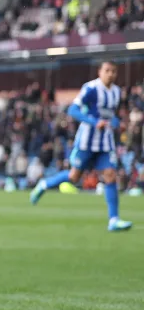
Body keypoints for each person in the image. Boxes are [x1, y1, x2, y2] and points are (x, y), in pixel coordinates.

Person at [30, 61, 132, 231]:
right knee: (74, 177)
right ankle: (43, 185)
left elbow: (109, 116)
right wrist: (93, 122)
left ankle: (114, 220)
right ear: (100, 72)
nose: (110, 74)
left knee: (110, 175)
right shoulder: (91, 89)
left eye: (114, 71)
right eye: (107, 70)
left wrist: (117, 123)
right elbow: (73, 110)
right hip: (86, 141)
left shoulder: (116, 92)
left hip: (105, 143)